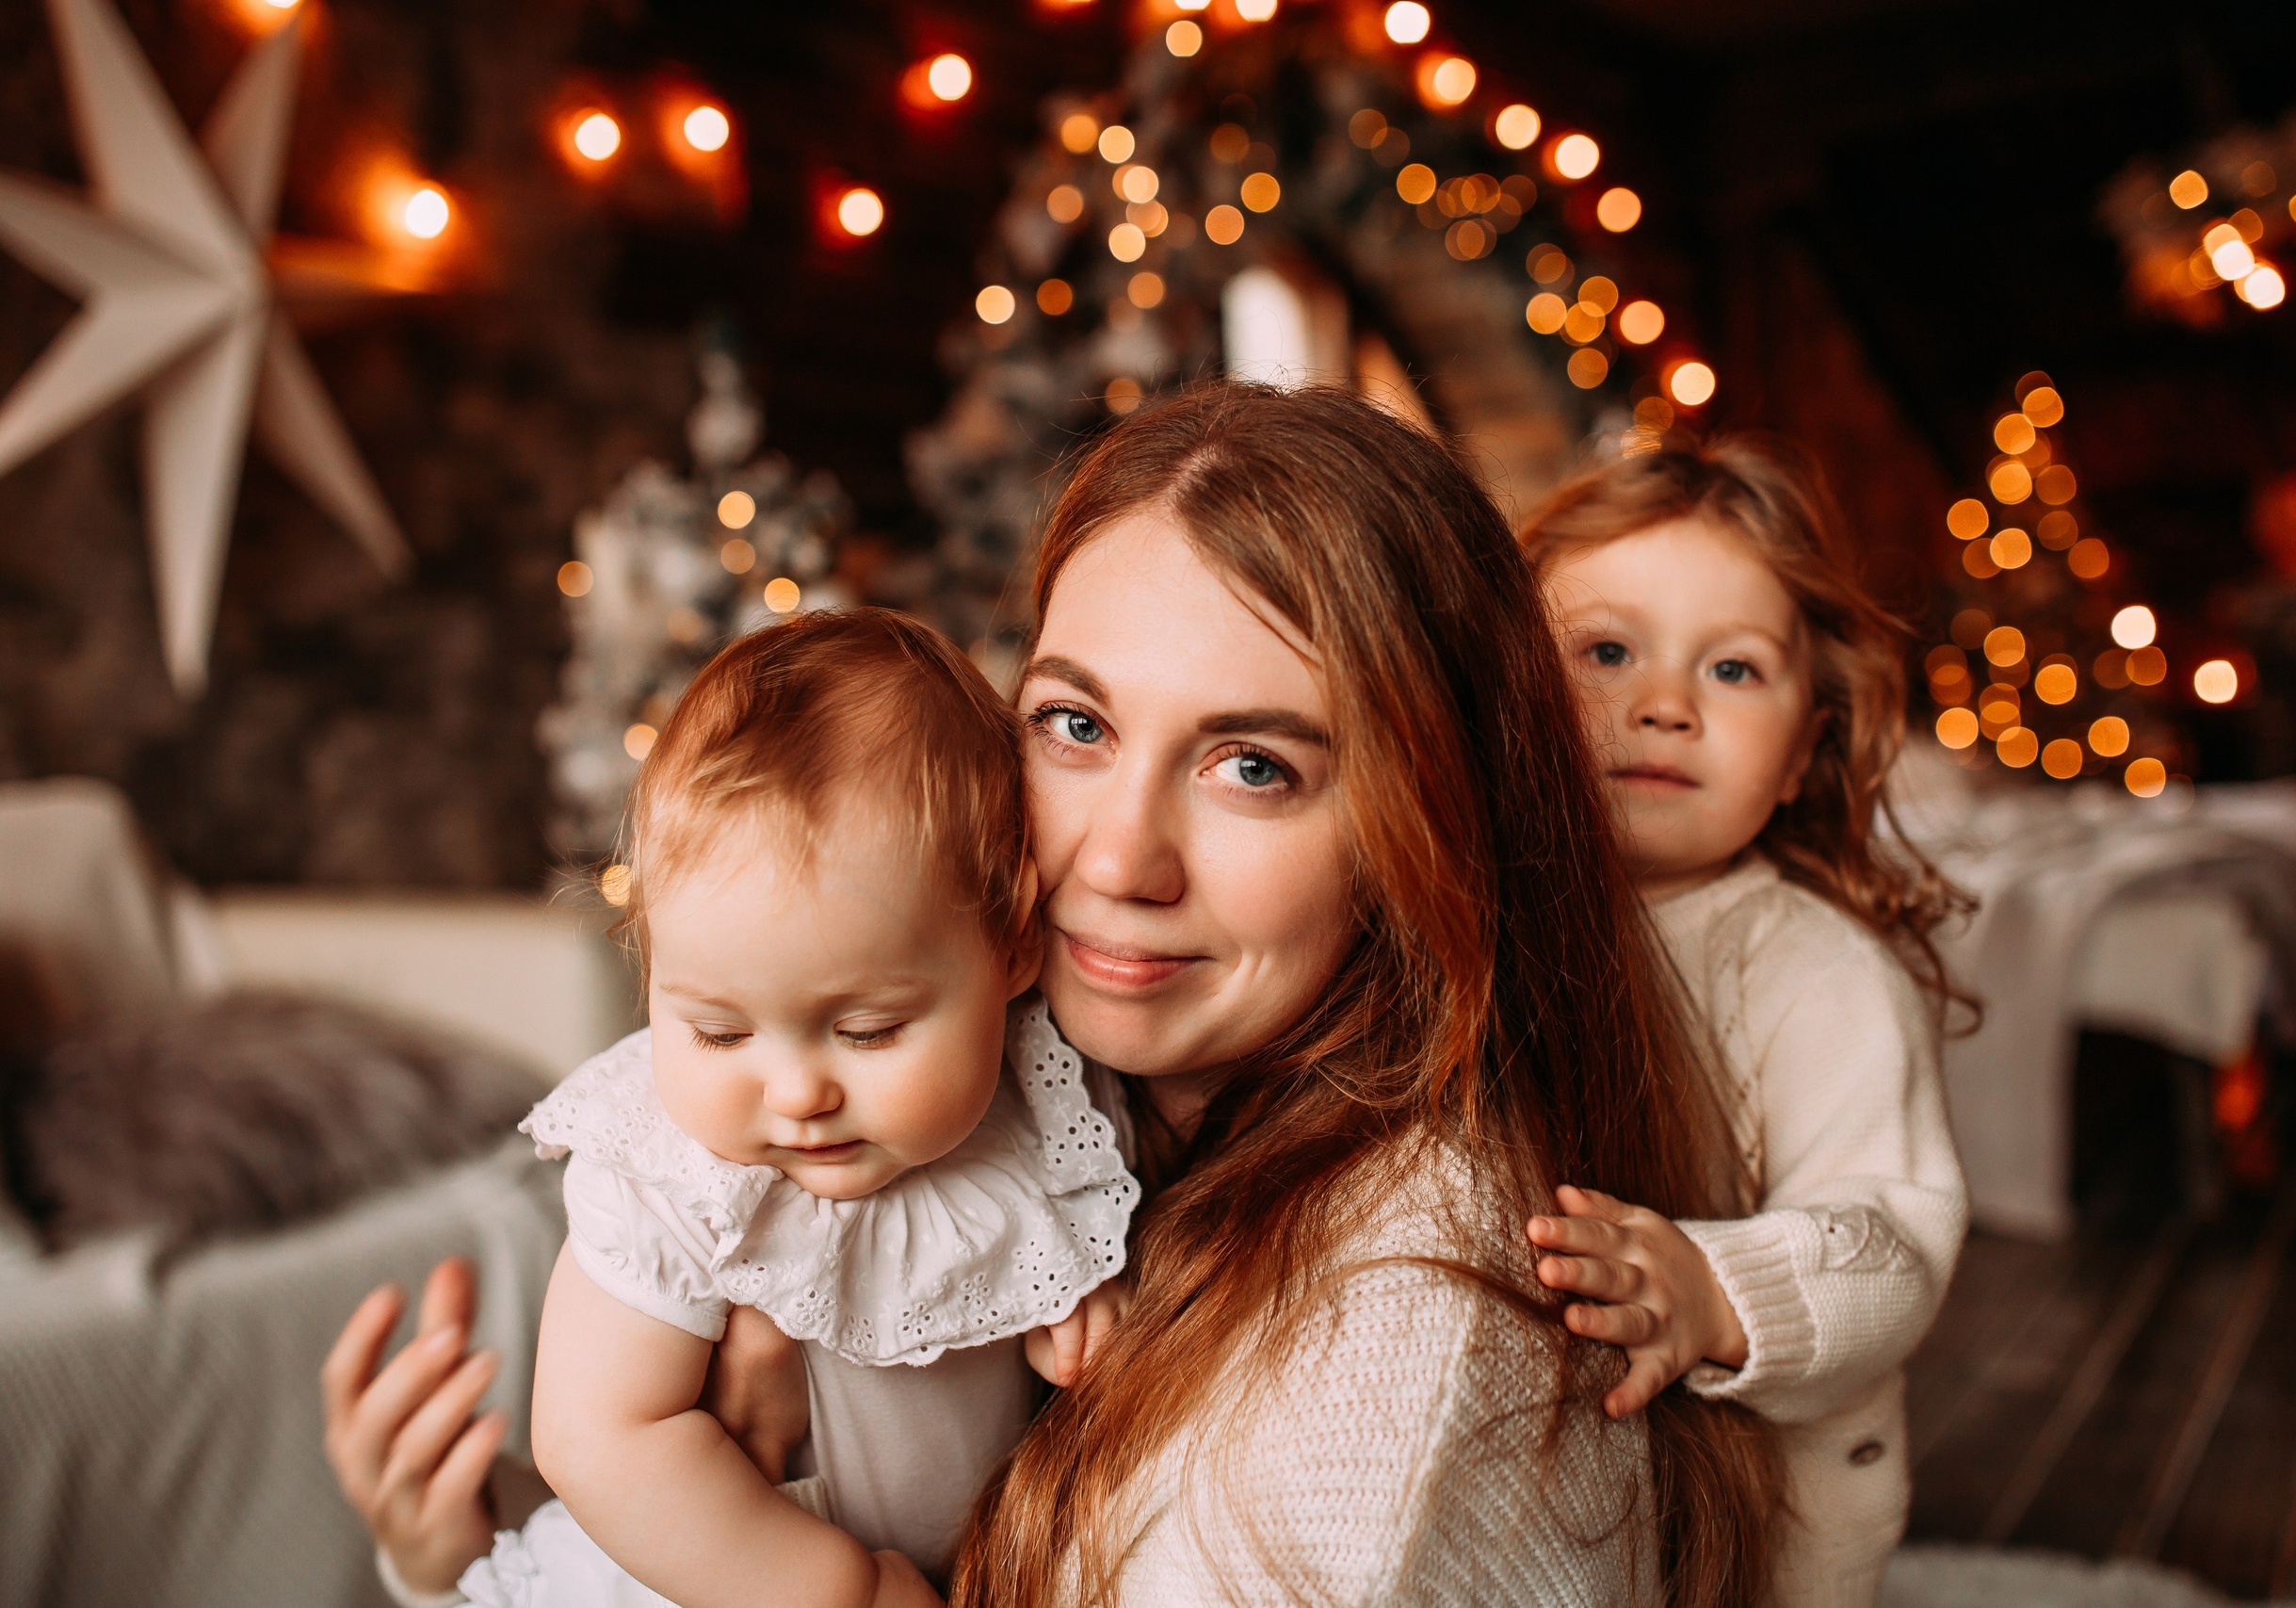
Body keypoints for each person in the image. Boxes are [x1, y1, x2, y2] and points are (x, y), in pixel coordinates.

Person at [329, 382, 1783, 1608]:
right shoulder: (1069, 1092)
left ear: (1434, 824)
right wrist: (465, 1546)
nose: (1112, 857)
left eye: (1254, 764)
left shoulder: (1395, 1348)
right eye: (1075, 723)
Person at [356, 609, 1140, 1608]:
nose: (797, 1093)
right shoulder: (676, 1174)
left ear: (1013, 953)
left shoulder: (1041, 1097)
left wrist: (1074, 1292)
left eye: (866, 1031)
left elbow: (1058, 1225)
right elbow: (599, 1436)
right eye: (720, 1034)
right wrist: (830, 1590)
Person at [1518, 437, 1970, 1608]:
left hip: (1761, 1546)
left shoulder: (1816, 972)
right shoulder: (1473, 922)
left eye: (1732, 672)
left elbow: (1895, 1243)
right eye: (1606, 651)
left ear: (1803, 754)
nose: (1662, 705)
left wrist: (1718, 1291)